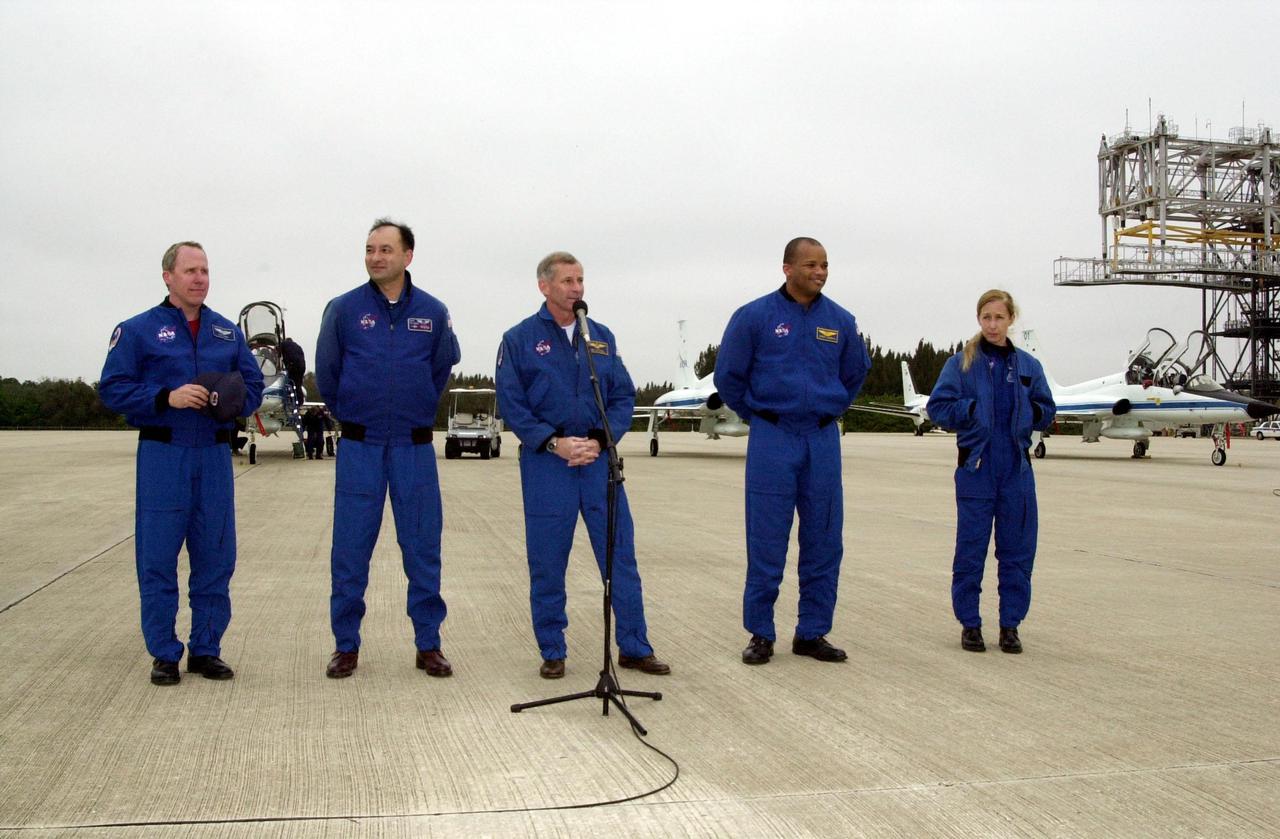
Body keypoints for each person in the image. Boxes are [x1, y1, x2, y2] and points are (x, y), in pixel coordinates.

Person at [495, 251, 669, 680]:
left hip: (597, 464)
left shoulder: (602, 337)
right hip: (547, 466)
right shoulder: (518, 340)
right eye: (568, 281)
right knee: (548, 560)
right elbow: (513, 405)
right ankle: (553, 648)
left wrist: (599, 439)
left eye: (580, 280)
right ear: (545, 286)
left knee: (619, 557)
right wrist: (553, 443)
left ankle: (634, 645)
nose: (577, 288)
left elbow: (623, 397)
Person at [99, 241, 264, 685]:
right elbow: (112, 388)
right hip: (163, 455)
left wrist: (222, 399)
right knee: (157, 557)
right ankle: (165, 653)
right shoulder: (137, 331)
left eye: (205, 271)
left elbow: (252, 386)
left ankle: (206, 649)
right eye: (190, 270)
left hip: (212, 454)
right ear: (168, 277)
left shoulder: (227, 334)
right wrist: (163, 397)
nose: (199, 279)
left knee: (215, 554)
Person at [315, 219, 460, 679]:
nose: (376, 257)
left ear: (408, 256)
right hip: (361, 447)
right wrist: (355, 415)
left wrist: (412, 411)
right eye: (370, 249)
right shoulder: (343, 309)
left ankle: (428, 643)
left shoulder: (433, 313)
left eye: (386, 249)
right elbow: (328, 372)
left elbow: (439, 371)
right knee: (350, 549)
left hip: (413, 450)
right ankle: (346, 645)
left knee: (422, 547)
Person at [714, 237, 870, 666]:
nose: (819, 272)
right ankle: (760, 632)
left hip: (821, 438)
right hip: (773, 438)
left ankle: (812, 631)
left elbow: (855, 372)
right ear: (787, 268)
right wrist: (761, 415)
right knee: (766, 538)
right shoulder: (753, 317)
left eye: (824, 265)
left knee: (823, 537)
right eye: (810, 265)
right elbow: (729, 377)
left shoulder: (840, 320)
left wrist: (830, 404)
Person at [925, 289, 1055, 654]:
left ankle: (1010, 625)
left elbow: (1047, 409)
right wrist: (968, 412)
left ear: (1011, 319)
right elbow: (938, 407)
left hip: (1016, 469)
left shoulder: (1028, 367)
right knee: (970, 550)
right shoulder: (961, 364)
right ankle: (970, 624)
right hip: (976, 469)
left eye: (999, 317)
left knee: (1017, 551)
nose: (993, 324)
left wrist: (1031, 412)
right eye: (986, 318)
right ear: (979, 320)